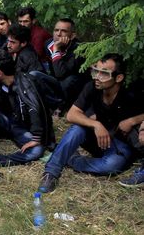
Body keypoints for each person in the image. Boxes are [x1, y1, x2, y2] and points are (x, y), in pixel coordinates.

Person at [38, 54, 144, 193]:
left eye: (104, 73)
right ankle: (51, 173)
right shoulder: (92, 87)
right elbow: (71, 115)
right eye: (96, 71)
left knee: (111, 166)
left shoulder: (130, 92)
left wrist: (132, 120)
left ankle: (71, 159)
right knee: (77, 128)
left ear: (119, 78)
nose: (97, 77)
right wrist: (96, 125)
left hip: (119, 144)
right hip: (97, 137)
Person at [0, 50, 54, 167]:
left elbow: (35, 110)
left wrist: (36, 138)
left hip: (24, 129)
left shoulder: (27, 84)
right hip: (6, 122)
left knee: (36, 151)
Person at [45, 18, 89, 109]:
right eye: (56, 30)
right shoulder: (48, 44)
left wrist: (56, 49)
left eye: (63, 31)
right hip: (56, 80)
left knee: (68, 81)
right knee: (35, 75)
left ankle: (60, 108)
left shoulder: (79, 49)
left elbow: (61, 73)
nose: (58, 34)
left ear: (72, 36)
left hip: (76, 85)